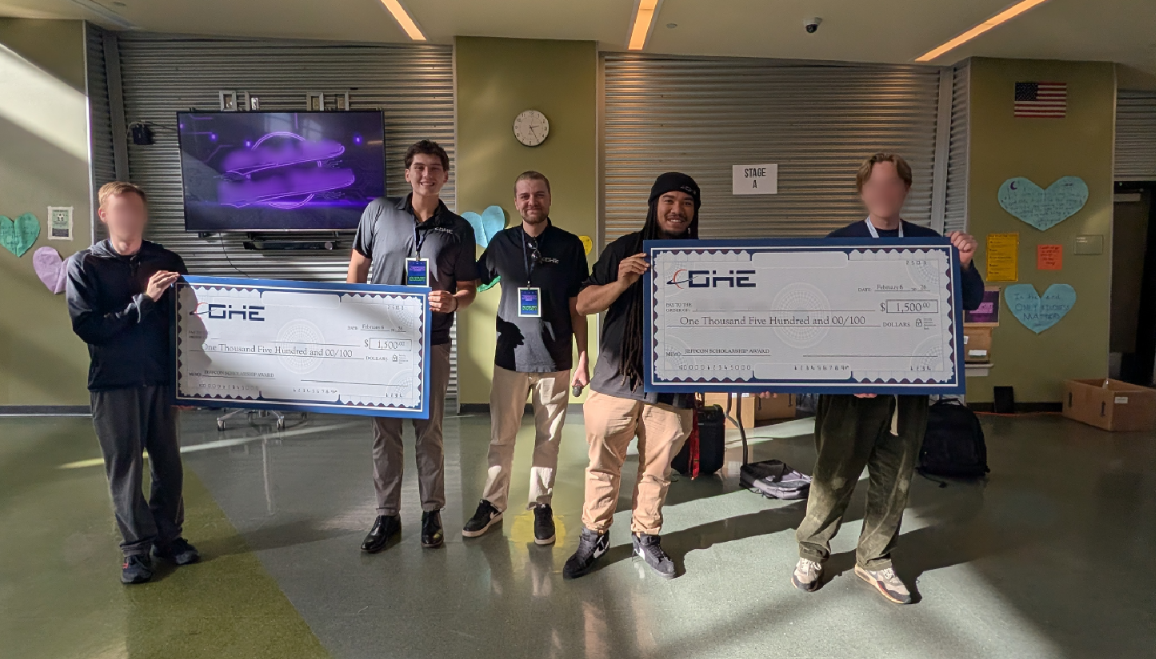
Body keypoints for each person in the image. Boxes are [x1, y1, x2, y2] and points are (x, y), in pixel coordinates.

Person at [791, 152, 983, 604]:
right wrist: (842, 378)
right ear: (862, 191)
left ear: (905, 190)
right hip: (848, 391)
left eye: (892, 185)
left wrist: (966, 264)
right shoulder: (838, 242)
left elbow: (969, 301)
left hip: (908, 390)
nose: (883, 193)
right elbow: (818, 319)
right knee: (833, 476)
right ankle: (812, 550)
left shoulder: (930, 245)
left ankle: (875, 559)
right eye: (874, 185)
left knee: (895, 478)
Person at [563, 172, 701, 580]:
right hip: (615, 380)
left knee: (658, 469)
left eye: (687, 203)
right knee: (602, 465)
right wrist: (621, 281)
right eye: (669, 200)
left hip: (673, 386)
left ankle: (646, 535)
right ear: (654, 204)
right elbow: (584, 304)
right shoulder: (624, 249)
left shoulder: (707, 256)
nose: (677, 210)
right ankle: (595, 535)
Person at [347, 140, 479, 552]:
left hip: (432, 342)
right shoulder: (379, 212)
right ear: (408, 173)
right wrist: (354, 320)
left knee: (430, 433)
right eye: (420, 167)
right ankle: (387, 516)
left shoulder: (459, 229)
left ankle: (431, 512)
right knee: (384, 432)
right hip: (382, 343)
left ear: (445, 176)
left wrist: (454, 301)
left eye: (435, 168)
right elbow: (357, 267)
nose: (427, 174)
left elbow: (469, 289)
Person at [66, 181, 198, 584]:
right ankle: (135, 550)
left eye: (134, 211)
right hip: (114, 384)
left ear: (144, 215)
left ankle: (168, 537)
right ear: (104, 215)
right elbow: (89, 328)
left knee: (168, 465)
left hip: (160, 380)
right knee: (124, 468)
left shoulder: (167, 260)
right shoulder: (85, 265)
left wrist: (187, 381)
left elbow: (189, 325)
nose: (128, 218)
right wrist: (144, 302)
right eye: (119, 211)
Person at [462, 171, 591, 545]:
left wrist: (584, 356)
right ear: (516, 202)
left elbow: (577, 307)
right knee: (501, 438)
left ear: (549, 199)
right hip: (510, 360)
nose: (531, 201)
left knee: (548, 440)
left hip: (556, 359)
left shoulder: (569, 247)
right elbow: (472, 280)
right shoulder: (501, 243)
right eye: (524, 196)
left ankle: (541, 505)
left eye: (538, 195)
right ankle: (492, 502)